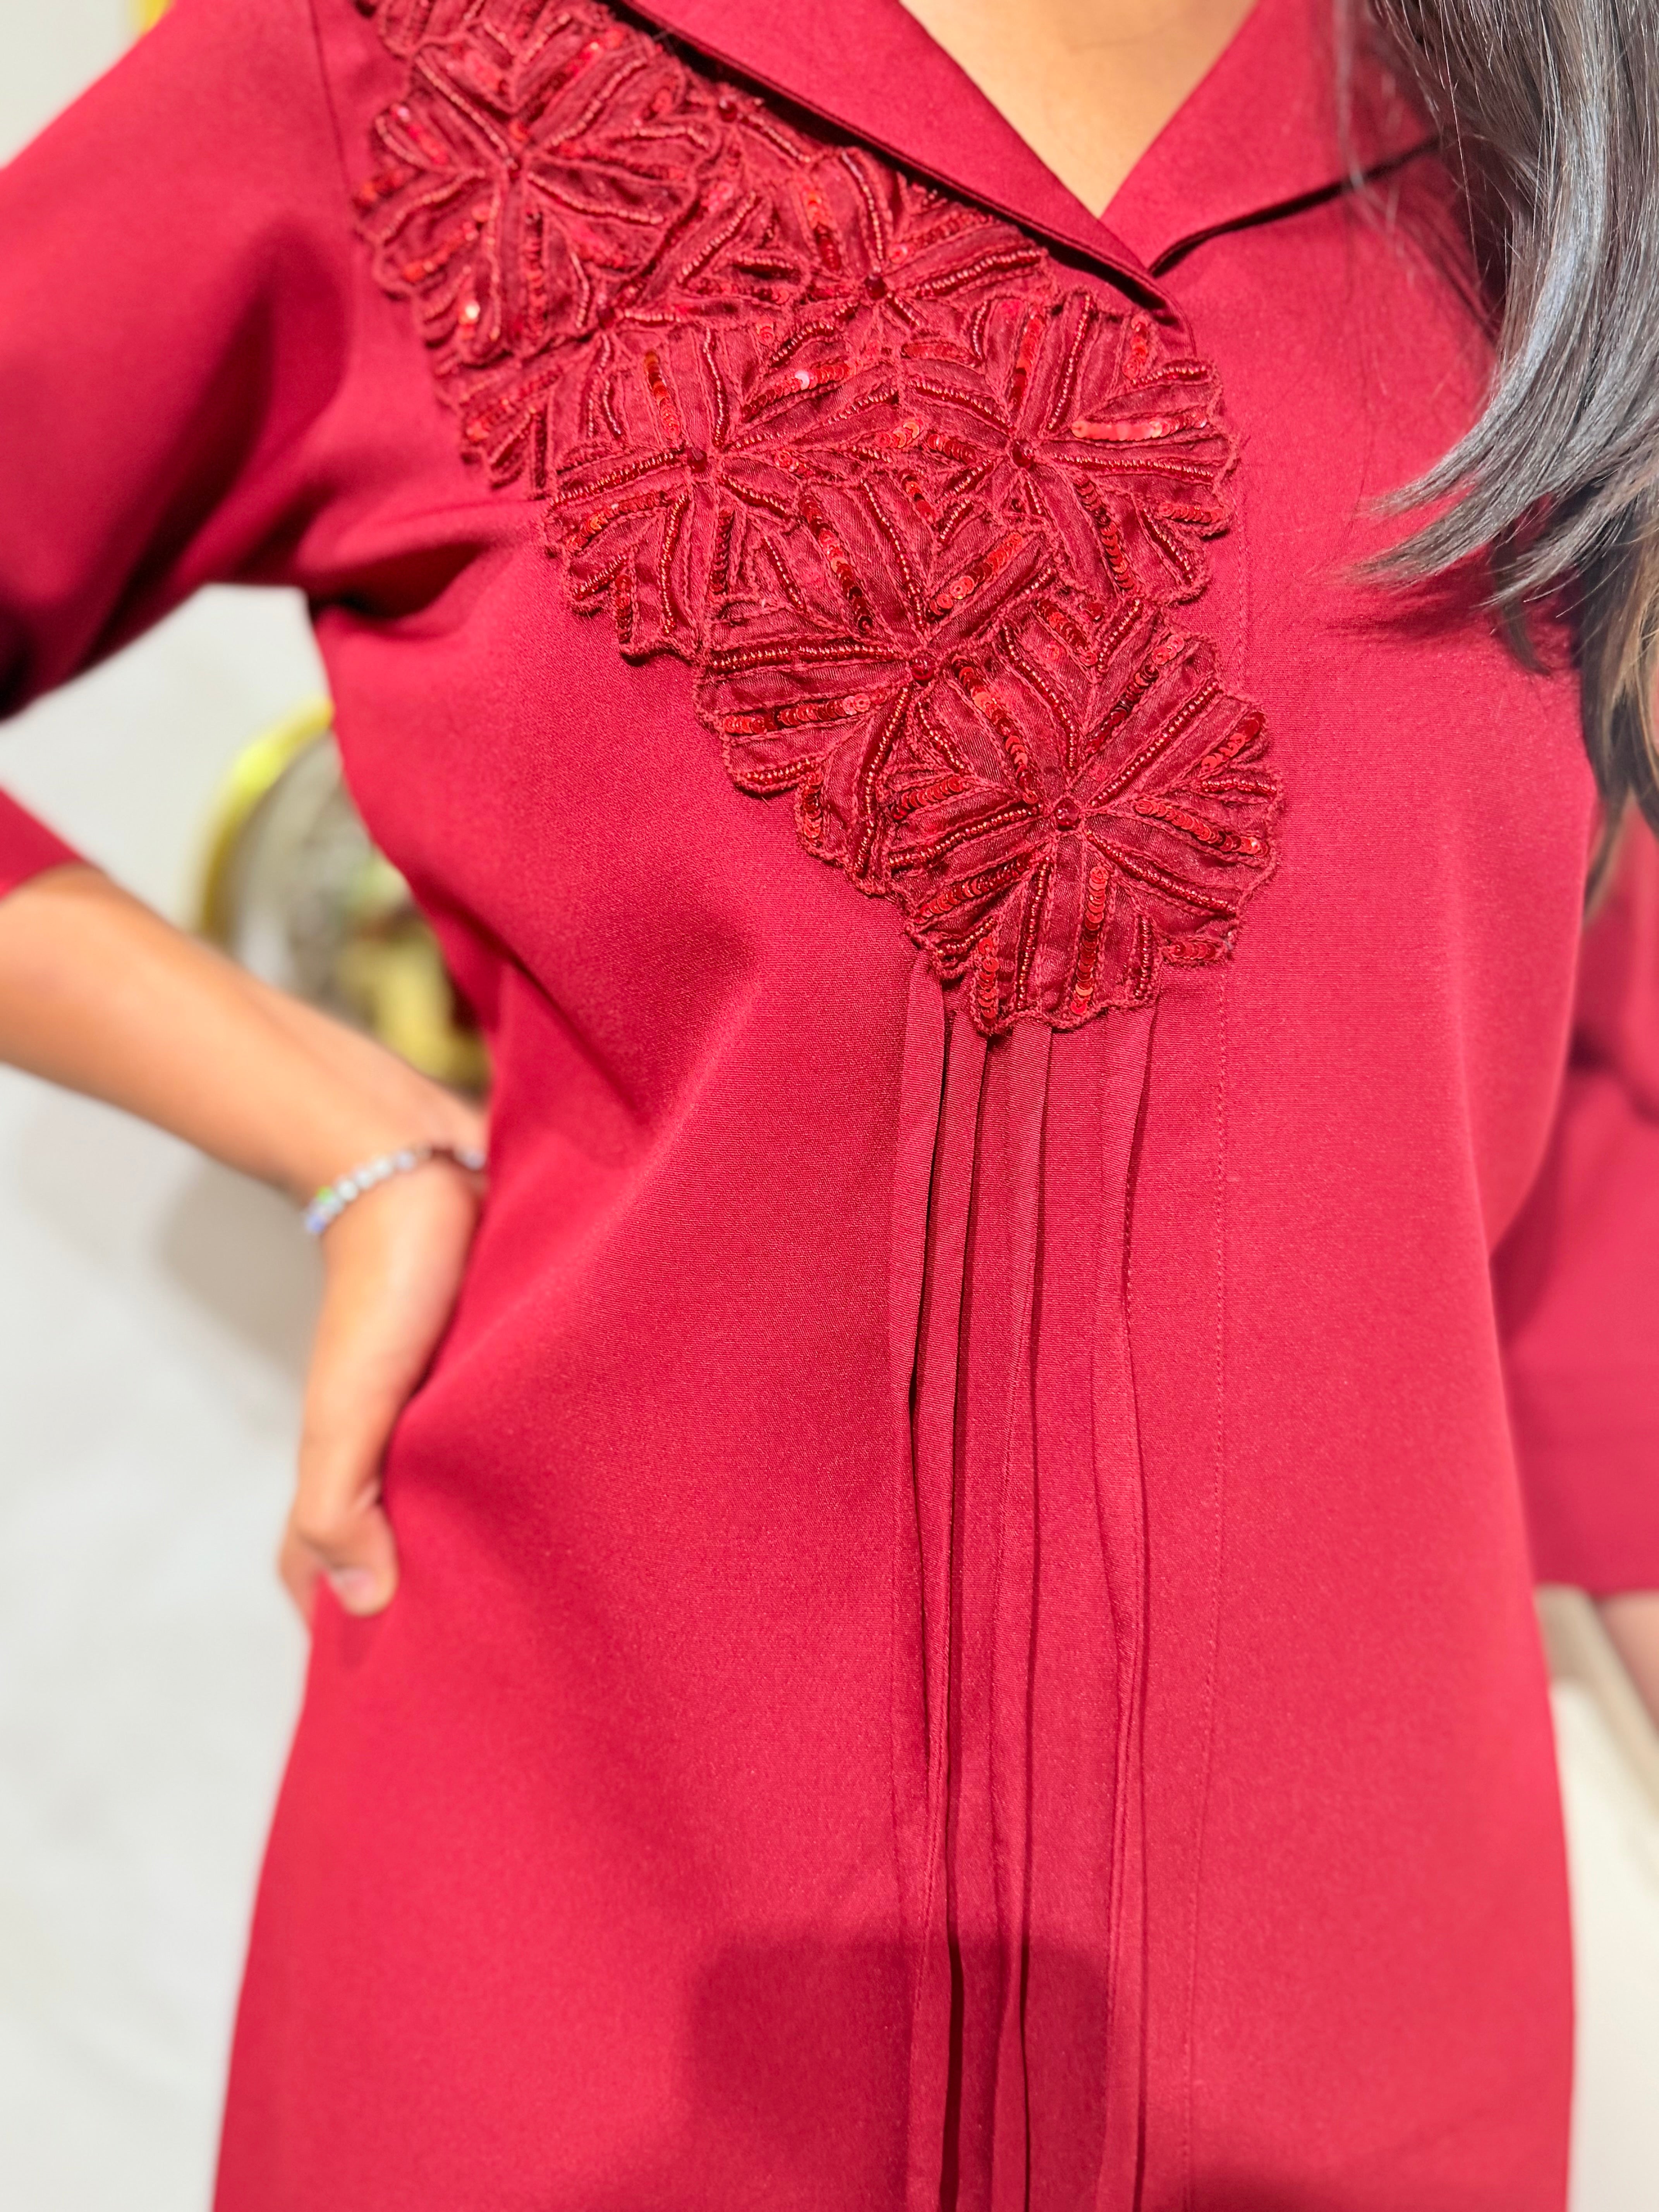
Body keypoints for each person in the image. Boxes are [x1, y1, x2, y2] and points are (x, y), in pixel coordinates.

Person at [1, 0, 1656, 2203]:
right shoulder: (408, 68)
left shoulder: (1553, 142)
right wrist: (336, 1127)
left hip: (1350, 2046)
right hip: (578, 2000)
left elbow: (1576, 1086)